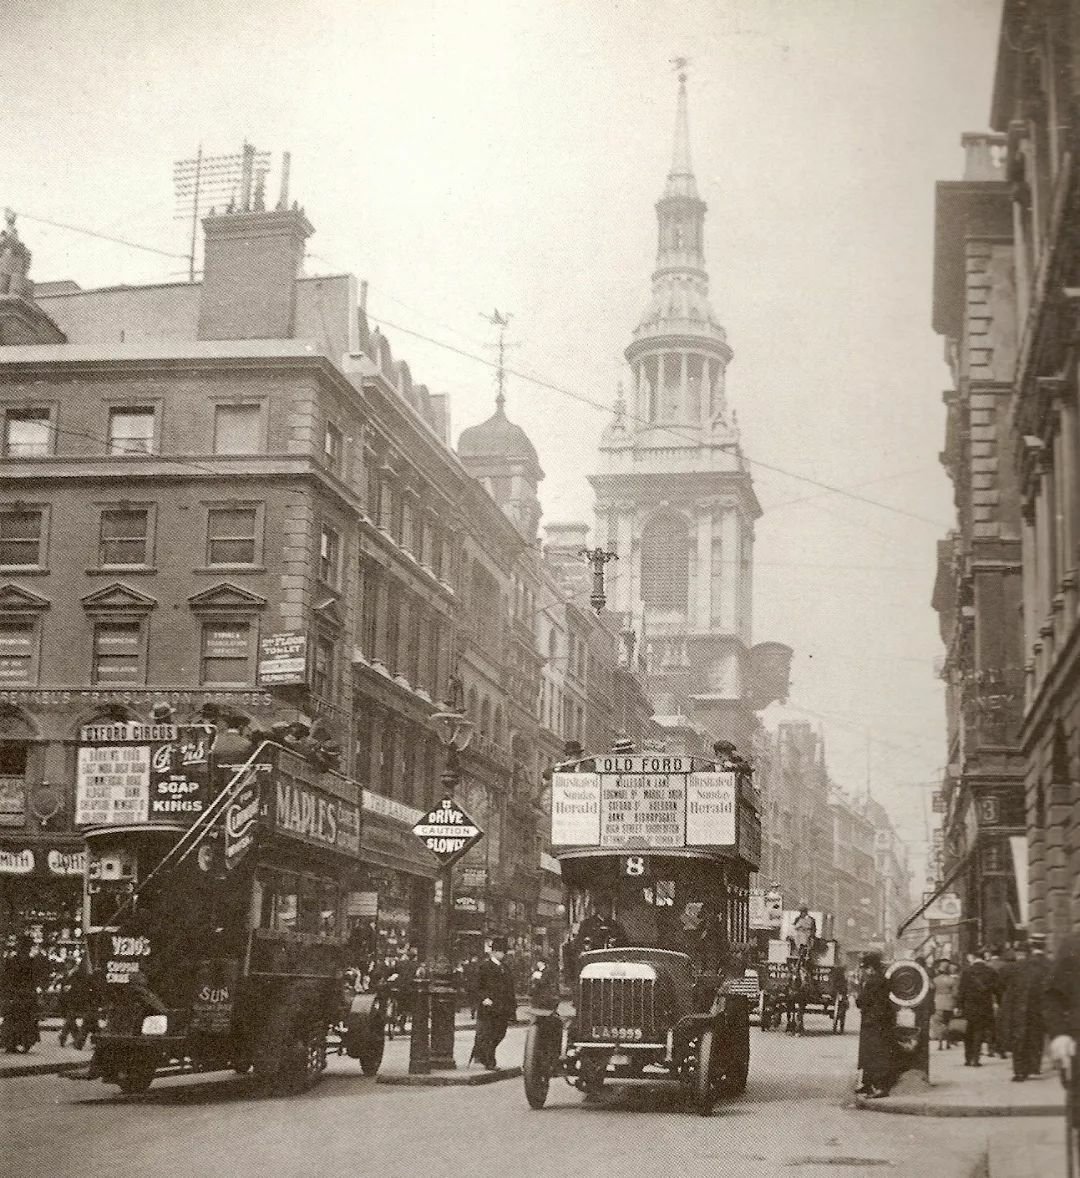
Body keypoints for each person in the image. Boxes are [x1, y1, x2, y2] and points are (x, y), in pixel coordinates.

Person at [470, 936, 516, 1071]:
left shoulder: (505, 968)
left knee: (500, 1033)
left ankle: (485, 1056)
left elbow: (510, 990)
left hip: (502, 1008)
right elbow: (476, 986)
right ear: (494, 952)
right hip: (489, 1007)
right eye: (501, 951)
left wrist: (512, 1009)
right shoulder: (485, 967)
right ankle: (490, 1061)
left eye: (504, 952)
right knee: (489, 1034)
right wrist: (483, 998)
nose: (503, 954)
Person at [1007, 937, 1048, 1081]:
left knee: (1019, 1039)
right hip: (1036, 1009)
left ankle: (1019, 1071)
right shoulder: (1039, 967)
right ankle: (1033, 1067)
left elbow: (1009, 992)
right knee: (1034, 1038)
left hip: (1019, 1009)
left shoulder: (1015, 968)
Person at [855, 951, 896, 1097]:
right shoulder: (883, 980)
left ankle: (879, 1086)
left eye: (866, 968)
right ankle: (867, 1083)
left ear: (871, 968)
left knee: (874, 1053)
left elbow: (861, 1001)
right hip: (879, 1021)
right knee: (871, 1052)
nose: (865, 971)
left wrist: (859, 991)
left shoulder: (872, 982)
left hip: (873, 1022)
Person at [0, 936, 44, 1053]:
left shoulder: (12, 960)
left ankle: (11, 1043)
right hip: (27, 995)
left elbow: (5, 978)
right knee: (26, 1020)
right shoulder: (31, 961)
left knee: (13, 1020)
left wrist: (7, 992)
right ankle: (25, 1043)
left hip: (16, 995)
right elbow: (35, 978)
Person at [958, 951, 998, 1067]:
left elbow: (962, 990)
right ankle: (976, 1059)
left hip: (969, 1006)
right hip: (985, 1006)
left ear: (973, 958)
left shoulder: (966, 971)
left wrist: (959, 1005)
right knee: (979, 1031)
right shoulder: (991, 971)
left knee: (968, 1032)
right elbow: (996, 989)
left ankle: (968, 1058)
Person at [57, 957, 97, 1050]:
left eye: (68, 963)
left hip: (75, 999)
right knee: (72, 1020)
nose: (66, 965)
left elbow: (79, 986)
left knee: (71, 1018)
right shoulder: (68, 973)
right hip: (69, 999)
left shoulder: (78, 974)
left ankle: (66, 1037)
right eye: (66, 963)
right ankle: (75, 1038)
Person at [931, 959, 959, 1050]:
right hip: (949, 1004)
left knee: (938, 1023)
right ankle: (947, 1043)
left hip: (938, 1003)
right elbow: (955, 994)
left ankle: (940, 1043)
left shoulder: (935, 980)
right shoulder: (952, 980)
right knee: (947, 1023)